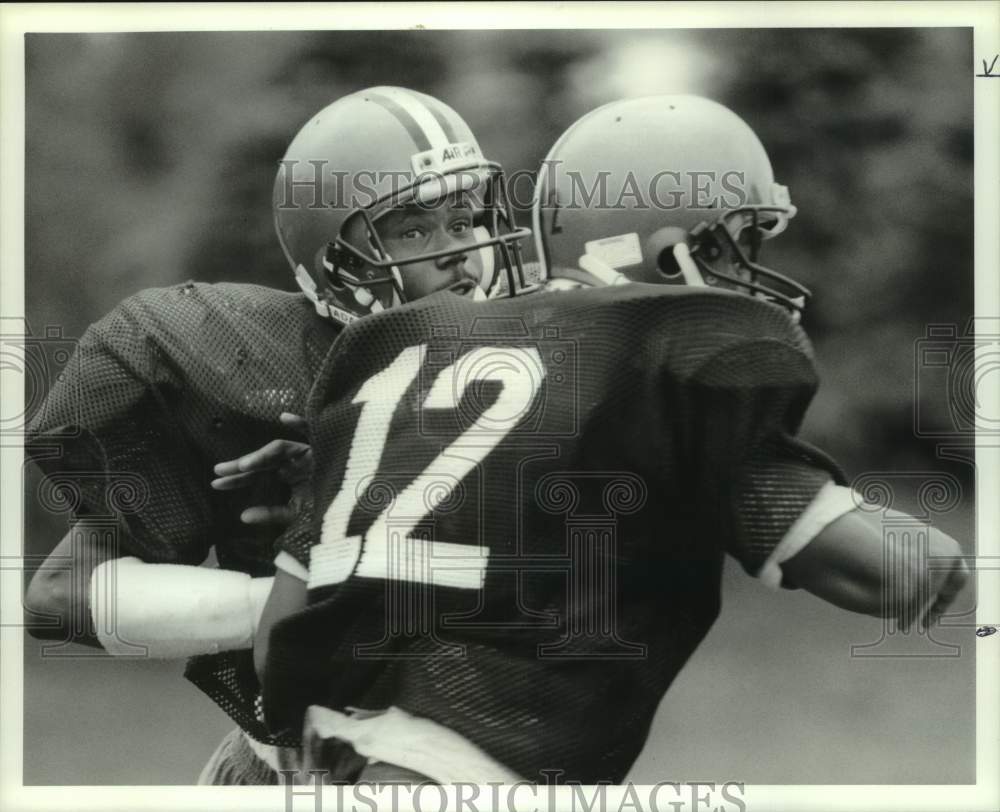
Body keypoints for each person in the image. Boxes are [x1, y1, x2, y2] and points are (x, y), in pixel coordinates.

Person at [253, 95, 969, 784]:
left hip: (323, 766)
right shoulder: (663, 379)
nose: (752, 276)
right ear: (668, 258)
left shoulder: (400, 362)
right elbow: (903, 577)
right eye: (737, 245)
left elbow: (276, 639)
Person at [23, 85, 530, 784]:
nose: (461, 252)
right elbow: (58, 596)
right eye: (415, 229)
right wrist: (294, 600)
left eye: (466, 217)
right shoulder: (265, 373)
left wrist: (351, 514)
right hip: (297, 769)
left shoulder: (539, 372)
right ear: (339, 263)